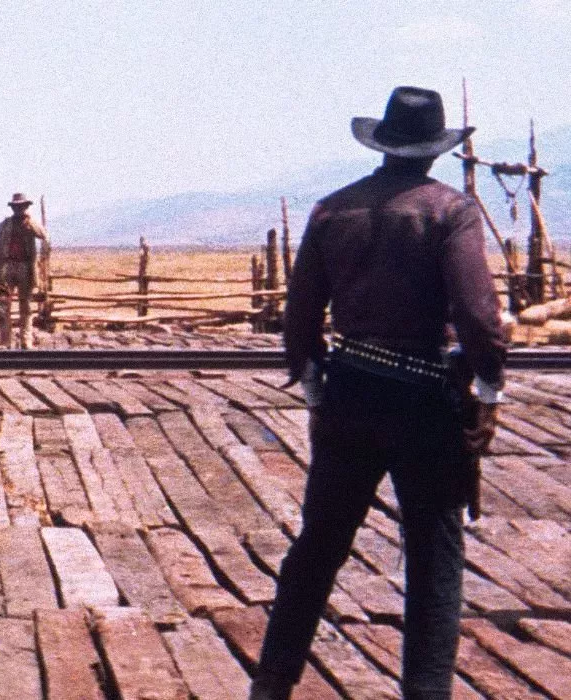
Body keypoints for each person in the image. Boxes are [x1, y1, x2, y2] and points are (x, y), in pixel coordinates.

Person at [250, 86, 507, 700]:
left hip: (350, 393)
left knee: (318, 546)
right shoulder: (451, 211)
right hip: (426, 401)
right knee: (435, 555)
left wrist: (319, 396)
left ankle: (271, 684)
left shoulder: (331, 211)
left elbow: (300, 321)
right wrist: (489, 389)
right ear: (435, 149)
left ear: (383, 143)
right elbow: (478, 316)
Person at [0, 193, 47, 348]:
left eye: (22, 206)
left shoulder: (30, 224)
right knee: (4, 306)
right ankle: (5, 342)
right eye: (16, 206)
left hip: (26, 268)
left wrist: (30, 221)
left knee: (26, 307)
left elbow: (43, 234)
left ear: (26, 207)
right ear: (12, 208)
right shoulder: (5, 225)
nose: (19, 209)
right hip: (7, 268)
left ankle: (26, 341)